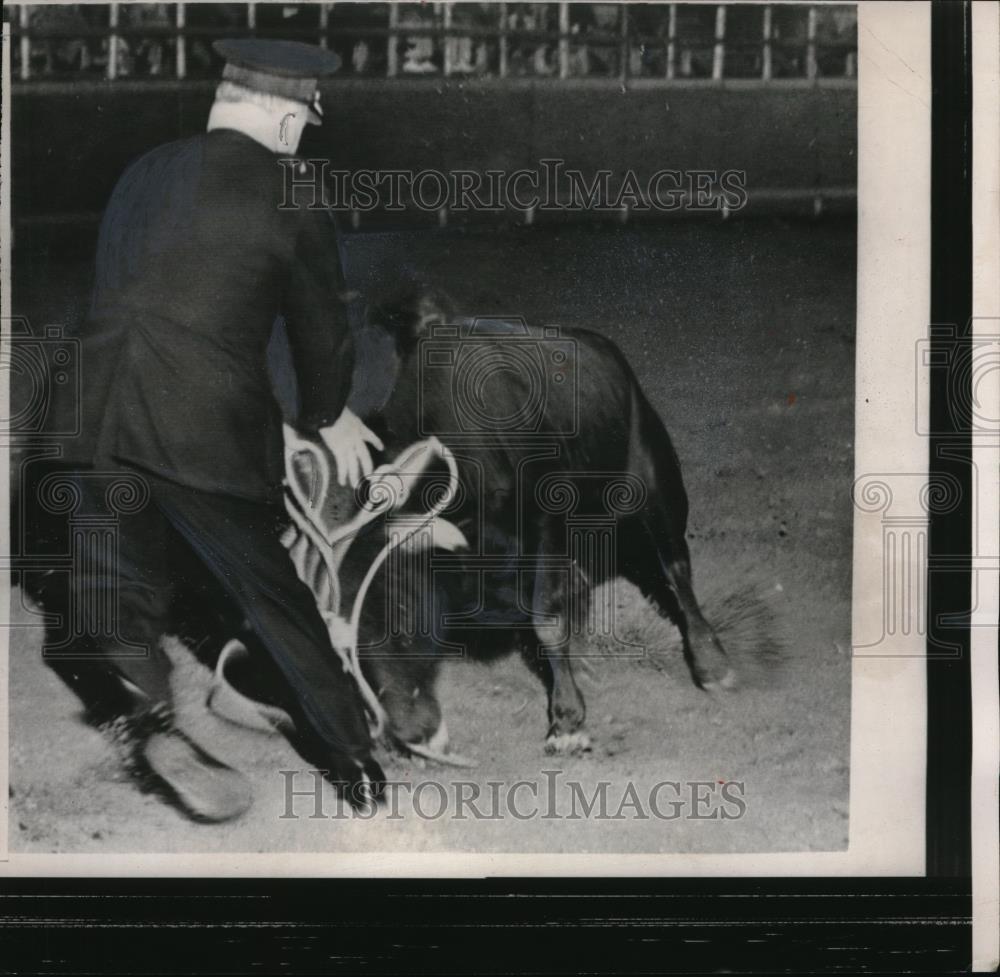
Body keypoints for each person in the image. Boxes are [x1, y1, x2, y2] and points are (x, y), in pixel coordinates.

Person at [45, 39, 385, 822]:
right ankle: (353, 756)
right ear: (283, 113)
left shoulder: (144, 169)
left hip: (86, 408)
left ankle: (148, 712)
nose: (303, 134)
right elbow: (322, 331)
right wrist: (326, 416)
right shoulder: (290, 187)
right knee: (271, 593)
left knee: (113, 584)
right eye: (302, 118)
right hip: (198, 425)